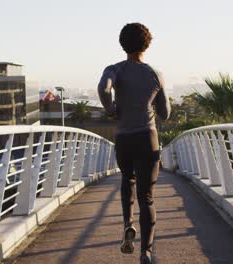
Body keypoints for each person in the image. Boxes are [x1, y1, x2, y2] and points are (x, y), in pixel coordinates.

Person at [97, 22, 171, 264]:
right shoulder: (155, 74)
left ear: (122, 43)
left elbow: (103, 89)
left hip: (124, 139)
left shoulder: (114, 69)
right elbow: (165, 113)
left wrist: (110, 110)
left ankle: (128, 225)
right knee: (146, 196)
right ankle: (146, 252)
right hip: (147, 138)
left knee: (127, 180)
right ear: (147, 44)